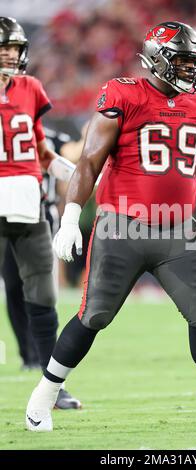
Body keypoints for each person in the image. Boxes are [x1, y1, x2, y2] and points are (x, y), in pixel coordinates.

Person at [26, 21, 196, 431]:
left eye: (192, 62)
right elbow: (90, 161)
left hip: (180, 229)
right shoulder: (124, 94)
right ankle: (46, 391)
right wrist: (72, 217)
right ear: (158, 59)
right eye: (180, 61)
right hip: (121, 227)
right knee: (94, 316)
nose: (189, 69)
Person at [0, 17, 81, 409]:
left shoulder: (30, 88)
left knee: (43, 294)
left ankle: (52, 388)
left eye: (13, 49)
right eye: (3, 48)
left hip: (26, 198)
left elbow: (40, 149)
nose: (9, 55)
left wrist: (72, 173)